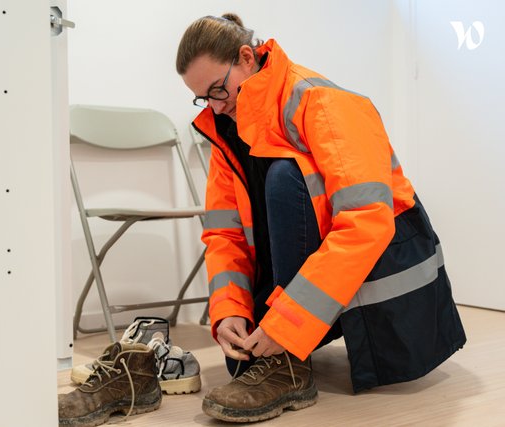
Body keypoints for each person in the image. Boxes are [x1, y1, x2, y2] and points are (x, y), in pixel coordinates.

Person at [176, 13, 466, 423]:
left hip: (382, 271)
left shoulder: (322, 101)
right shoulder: (227, 133)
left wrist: (287, 327)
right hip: (323, 278)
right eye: (203, 98)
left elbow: (367, 221)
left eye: (220, 90)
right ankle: (286, 352)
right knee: (240, 361)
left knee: (284, 175)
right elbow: (225, 235)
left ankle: (291, 359)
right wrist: (229, 312)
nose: (217, 107)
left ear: (246, 57)